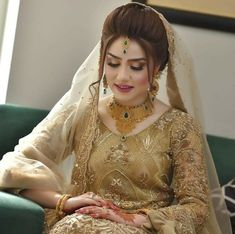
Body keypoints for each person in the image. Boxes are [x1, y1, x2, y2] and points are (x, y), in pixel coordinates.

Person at [0, 2, 232, 234]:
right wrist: (65, 202)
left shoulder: (180, 127)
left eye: (136, 67)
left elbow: (196, 208)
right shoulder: (82, 113)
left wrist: (129, 218)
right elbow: (14, 168)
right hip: (77, 226)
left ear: (158, 67)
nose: (122, 76)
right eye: (113, 63)